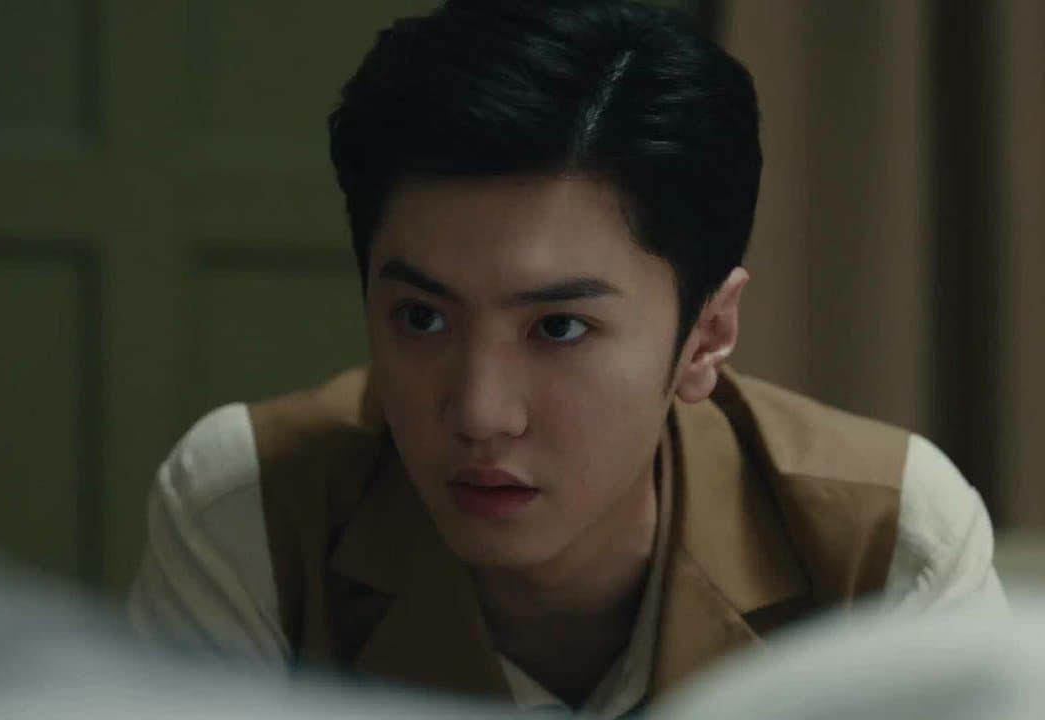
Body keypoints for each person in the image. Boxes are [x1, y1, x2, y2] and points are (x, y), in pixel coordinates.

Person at [129, 0, 1007, 715]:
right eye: (422, 319)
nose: (480, 412)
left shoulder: (886, 541)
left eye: (558, 329)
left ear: (706, 335)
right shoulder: (253, 511)